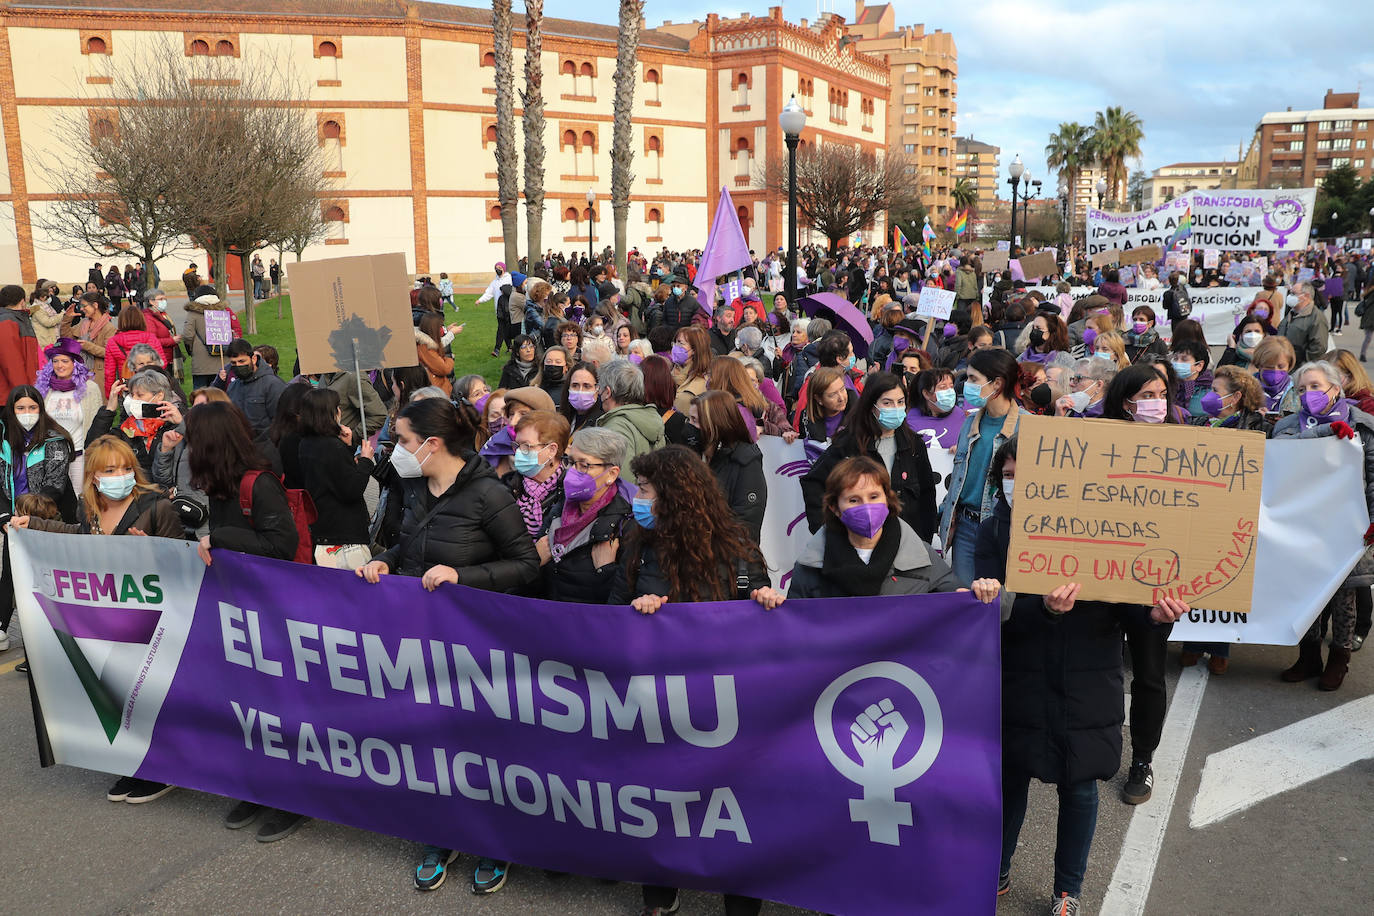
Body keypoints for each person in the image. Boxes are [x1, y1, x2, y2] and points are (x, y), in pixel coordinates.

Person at [973, 437, 1189, 914]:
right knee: (1010, 781)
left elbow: (1133, 616)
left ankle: (1067, 890)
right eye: (1009, 475)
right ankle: (997, 869)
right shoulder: (992, 534)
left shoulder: (1106, 533)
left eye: (1028, 476)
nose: (1017, 484)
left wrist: (1157, 617)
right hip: (1019, 677)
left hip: (1089, 680)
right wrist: (1041, 610)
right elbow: (990, 619)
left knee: (1080, 784)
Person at [356, 397, 539, 893]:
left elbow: (526, 565)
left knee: (481, 748)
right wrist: (386, 560)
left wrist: (464, 575)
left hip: (477, 647)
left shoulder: (489, 495)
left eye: (405, 441)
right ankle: (442, 832)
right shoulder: (419, 486)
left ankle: (494, 842)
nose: (397, 449)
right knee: (432, 743)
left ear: (432, 445)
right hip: (422, 641)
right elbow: (413, 542)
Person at [608, 444, 779, 916]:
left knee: (736, 803)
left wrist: (765, 602)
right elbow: (607, 618)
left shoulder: (738, 552)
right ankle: (661, 886)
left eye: (644, 489)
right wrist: (636, 615)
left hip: (725, 704)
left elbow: (756, 614)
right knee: (661, 799)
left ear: (675, 495)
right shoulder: (638, 546)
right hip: (657, 702)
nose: (636, 497)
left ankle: (741, 895)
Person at [8, 433, 183, 801]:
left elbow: (182, 567)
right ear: (93, 477)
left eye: (125, 468)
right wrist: (35, 527)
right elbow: (80, 539)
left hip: (151, 622)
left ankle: (161, 769)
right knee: (115, 696)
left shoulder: (155, 507)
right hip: (106, 620)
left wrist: (150, 552)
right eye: (109, 469)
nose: (120, 475)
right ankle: (133, 765)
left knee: (150, 696)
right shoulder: (88, 508)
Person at [188, 400, 304, 841]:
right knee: (249, 703)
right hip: (240, 608)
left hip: (274, 611)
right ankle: (259, 786)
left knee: (281, 706)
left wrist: (219, 537)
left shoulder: (258, 484)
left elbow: (279, 543)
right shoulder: (221, 486)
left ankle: (294, 795)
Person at [1274, 361, 1374, 691]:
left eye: (1315, 386)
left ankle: (1339, 659)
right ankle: (1308, 656)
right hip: (1304, 527)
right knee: (1308, 593)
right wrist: (1324, 432)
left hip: (1349, 527)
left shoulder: (1364, 427)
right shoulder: (1288, 427)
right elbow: (1282, 462)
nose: (1308, 395)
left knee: (1345, 596)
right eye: (1301, 389)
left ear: (1336, 388)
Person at [790, 454, 999, 604]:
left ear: (888, 500)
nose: (867, 507)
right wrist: (770, 606)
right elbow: (793, 624)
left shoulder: (920, 557)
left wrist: (986, 593)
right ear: (835, 508)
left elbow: (962, 602)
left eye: (874, 497)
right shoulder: (811, 564)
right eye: (854, 500)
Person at [802, 371, 938, 544]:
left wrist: (924, 540)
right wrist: (829, 534)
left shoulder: (913, 445)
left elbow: (927, 494)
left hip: (906, 545)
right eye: (887, 403)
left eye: (900, 402)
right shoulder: (848, 444)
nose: (895, 408)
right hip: (859, 545)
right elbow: (814, 483)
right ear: (871, 405)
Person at [937, 349, 1023, 585]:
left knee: (997, 604)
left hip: (1002, 530)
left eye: (974, 379)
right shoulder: (969, 423)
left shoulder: (1026, 427)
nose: (967, 385)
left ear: (997, 384)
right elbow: (959, 477)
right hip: (964, 527)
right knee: (964, 601)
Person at [535, 427, 630, 603]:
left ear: (611, 474)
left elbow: (621, 601)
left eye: (584, 465)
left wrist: (606, 570)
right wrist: (533, 562)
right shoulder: (559, 508)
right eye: (570, 462)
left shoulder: (624, 525)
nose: (571, 472)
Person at [297, 387, 375, 570]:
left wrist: (347, 447)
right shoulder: (331, 446)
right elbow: (352, 489)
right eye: (337, 407)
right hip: (343, 536)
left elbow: (334, 475)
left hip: (323, 527)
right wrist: (365, 461)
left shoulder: (306, 443)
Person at [694, 389, 766, 544]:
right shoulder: (699, 455)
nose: (690, 426)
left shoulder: (745, 462)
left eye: (695, 420)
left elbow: (747, 523)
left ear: (713, 424)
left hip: (725, 558)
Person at [36, 338, 102, 492]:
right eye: (55, 361)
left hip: (78, 456)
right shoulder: (44, 388)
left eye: (65, 361)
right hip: (49, 456)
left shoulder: (90, 389)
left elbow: (98, 424)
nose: (59, 365)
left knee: (82, 499)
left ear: (75, 364)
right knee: (50, 500)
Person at [507, 409, 570, 539]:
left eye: (526, 446)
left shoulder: (569, 493)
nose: (518, 452)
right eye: (517, 445)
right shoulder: (509, 486)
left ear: (551, 450)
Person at [593, 358, 666, 464]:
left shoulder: (615, 428)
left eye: (599, 388)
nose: (598, 392)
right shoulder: (649, 417)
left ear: (608, 392)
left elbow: (623, 477)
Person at [223, 339, 287, 435]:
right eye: (233, 363)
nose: (238, 366)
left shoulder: (273, 385)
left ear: (253, 359)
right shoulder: (233, 387)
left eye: (242, 361)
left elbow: (281, 423)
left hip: (266, 445)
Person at [1278, 281, 1329, 365]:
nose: (1290, 296)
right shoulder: (1291, 313)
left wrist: (1301, 361)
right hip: (1284, 363)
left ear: (1306, 296)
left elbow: (1318, 348)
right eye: (1290, 293)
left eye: (1293, 294)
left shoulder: (1316, 318)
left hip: (1299, 366)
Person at [1252, 335, 1299, 416]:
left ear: (1289, 365)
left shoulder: (1297, 389)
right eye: (1269, 366)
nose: (1275, 370)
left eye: (1281, 366)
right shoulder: (1246, 387)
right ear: (1259, 364)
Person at [670, 325, 711, 413]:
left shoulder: (700, 381)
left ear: (694, 350)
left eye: (681, 343)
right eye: (675, 342)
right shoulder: (672, 369)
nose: (675, 347)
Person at [414, 312, 457, 395]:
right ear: (433, 328)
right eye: (440, 327)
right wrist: (450, 358)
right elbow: (444, 369)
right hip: (437, 391)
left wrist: (447, 330)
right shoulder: (426, 347)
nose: (442, 329)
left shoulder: (427, 342)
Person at [1168, 339, 1212, 418]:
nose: (1178, 363)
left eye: (1184, 359)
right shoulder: (1167, 385)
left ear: (1199, 365)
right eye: (1175, 359)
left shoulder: (1210, 390)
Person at [558, 361, 603, 432]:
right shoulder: (561, 419)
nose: (580, 391)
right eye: (575, 385)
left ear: (597, 389)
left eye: (587, 386)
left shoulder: (602, 422)